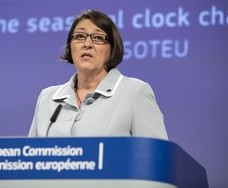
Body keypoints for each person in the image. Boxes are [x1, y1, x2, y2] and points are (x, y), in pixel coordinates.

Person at [28, 10, 168, 140]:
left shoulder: (135, 92)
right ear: (70, 46)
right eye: (80, 36)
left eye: (98, 37)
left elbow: (157, 157)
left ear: (112, 48)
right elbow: (31, 158)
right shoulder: (47, 99)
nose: (87, 44)